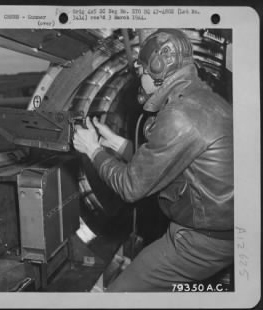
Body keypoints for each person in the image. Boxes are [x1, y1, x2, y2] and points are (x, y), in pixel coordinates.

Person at [73, 29, 234, 291]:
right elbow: (167, 162)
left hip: (202, 240)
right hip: (222, 230)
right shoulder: (201, 100)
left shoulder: (179, 115)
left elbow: (131, 187)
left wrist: (92, 150)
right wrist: (114, 143)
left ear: (158, 71)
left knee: (119, 295)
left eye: (141, 72)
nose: (140, 80)